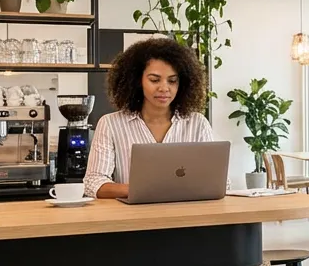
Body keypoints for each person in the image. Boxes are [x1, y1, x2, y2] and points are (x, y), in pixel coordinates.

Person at [85, 37, 217, 199]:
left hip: (186, 218)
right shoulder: (110, 124)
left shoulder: (197, 124)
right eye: (154, 80)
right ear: (137, 81)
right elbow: (93, 183)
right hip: (133, 220)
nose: (164, 88)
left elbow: (219, 182)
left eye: (172, 81)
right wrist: (141, 190)